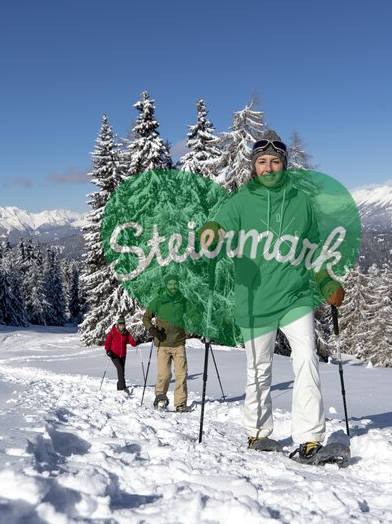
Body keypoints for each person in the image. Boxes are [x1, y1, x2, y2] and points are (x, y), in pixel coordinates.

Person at [199, 130, 346, 461]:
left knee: (307, 357)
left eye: (275, 161)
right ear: (254, 167)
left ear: (284, 165)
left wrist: (325, 281)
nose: (268, 168)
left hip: (295, 297)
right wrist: (210, 234)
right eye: (262, 162)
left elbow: (315, 251)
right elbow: (218, 226)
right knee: (258, 367)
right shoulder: (240, 201)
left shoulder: (301, 203)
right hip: (254, 300)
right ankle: (257, 434)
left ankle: (309, 438)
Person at [143, 274, 199, 412]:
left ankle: (180, 404)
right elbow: (146, 318)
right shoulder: (158, 301)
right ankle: (161, 399)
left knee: (182, 374)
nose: (173, 286)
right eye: (170, 284)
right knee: (165, 374)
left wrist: (200, 320)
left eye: (175, 284)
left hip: (179, 343)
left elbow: (194, 316)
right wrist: (152, 329)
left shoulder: (183, 301)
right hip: (162, 344)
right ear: (166, 285)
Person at [104, 316, 138, 392]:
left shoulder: (126, 333)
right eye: (120, 325)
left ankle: (122, 385)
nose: (122, 327)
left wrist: (137, 342)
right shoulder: (113, 332)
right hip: (114, 354)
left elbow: (132, 342)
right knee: (120, 369)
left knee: (122, 370)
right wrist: (108, 350)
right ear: (118, 324)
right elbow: (107, 342)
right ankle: (121, 388)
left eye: (123, 325)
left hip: (123, 355)